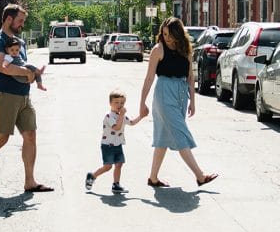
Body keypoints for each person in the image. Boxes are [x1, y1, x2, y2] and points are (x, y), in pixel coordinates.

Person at [0, 3, 53, 194]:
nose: (22, 24)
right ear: (9, 19)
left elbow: (23, 65)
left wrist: (31, 75)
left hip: (24, 97)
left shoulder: (20, 42)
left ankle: (30, 181)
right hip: (5, 96)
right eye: (20, 21)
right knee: (1, 139)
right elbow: (3, 67)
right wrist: (28, 74)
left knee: (30, 136)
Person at [137, 16, 218, 189]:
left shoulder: (186, 50)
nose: (166, 37)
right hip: (164, 94)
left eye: (169, 34)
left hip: (181, 95)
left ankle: (152, 178)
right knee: (181, 135)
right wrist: (142, 103)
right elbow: (149, 77)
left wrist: (193, 101)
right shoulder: (158, 50)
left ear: (178, 34)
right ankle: (200, 176)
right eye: (164, 34)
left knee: (163, 137)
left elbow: (190, 77)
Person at [86, 90, 142, 193]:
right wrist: (121, 115)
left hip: (118, 144)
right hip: (108, 145)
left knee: (119, 164)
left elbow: (132, 122)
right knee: (108, 167)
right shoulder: (109, 116)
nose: (119, 105)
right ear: (110, 103)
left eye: (122, 103)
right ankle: (92, 176)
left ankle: (116, 185)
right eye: (116, 102)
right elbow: (116, 127)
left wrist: (141, 116)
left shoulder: (122, 116)